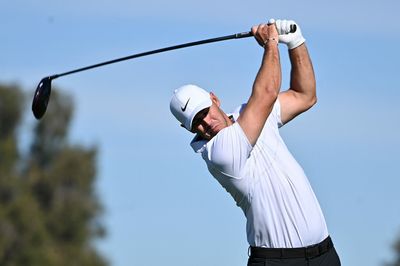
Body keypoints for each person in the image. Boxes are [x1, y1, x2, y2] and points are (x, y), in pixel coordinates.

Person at [170, 19, 341, 266]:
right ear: (187, 130)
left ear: (214, 99)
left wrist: (295, 41)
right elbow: (267, 93)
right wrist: (271, 42)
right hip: (276, 262)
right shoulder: (219, 153)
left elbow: (305, 96)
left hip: (325, 255)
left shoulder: (249, 114)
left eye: (204, 111)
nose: (205, 123)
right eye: (196, 122)